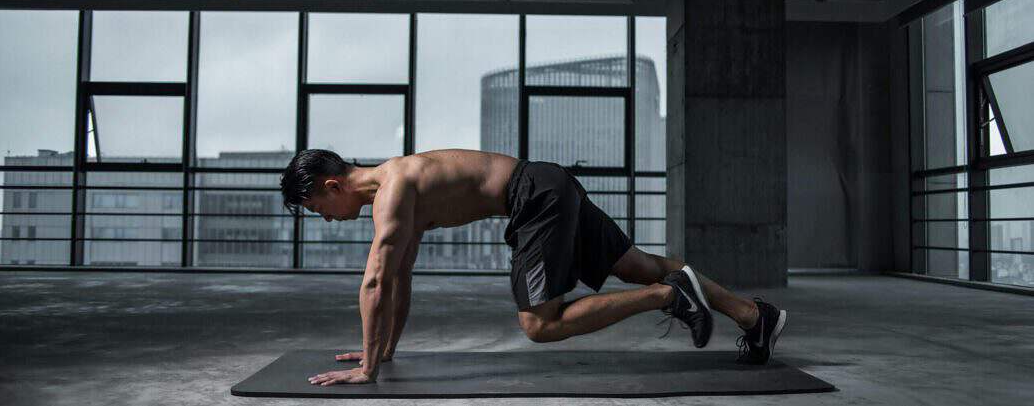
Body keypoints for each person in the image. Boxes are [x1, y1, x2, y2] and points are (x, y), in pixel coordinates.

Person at [279, 148, 787, 386]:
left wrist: (367, 371)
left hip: (534, 196)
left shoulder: (392, 192)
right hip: (547, 183)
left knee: (540, 324)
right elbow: (398, 276)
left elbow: (374, 280)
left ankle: (670, 297)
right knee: (639, 264)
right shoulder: (398, 185)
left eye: (318, 211)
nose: (326, 220)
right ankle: (753, 316)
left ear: (331, 186)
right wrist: (383, 351)